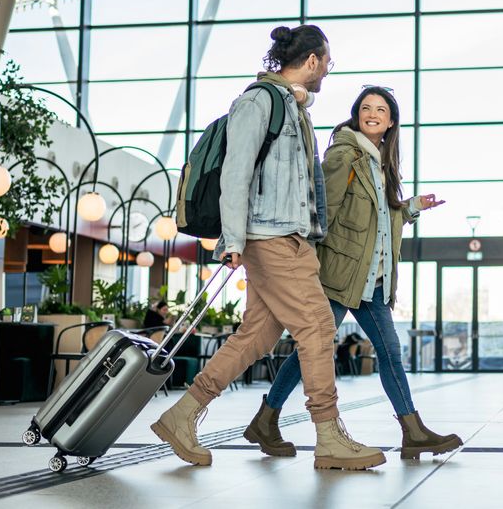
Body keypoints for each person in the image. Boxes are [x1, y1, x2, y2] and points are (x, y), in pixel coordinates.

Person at [150, 25, 386, 471]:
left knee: (256, 336)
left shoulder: (291, 105)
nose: (327, 71)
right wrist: (233, 239)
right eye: (327, 62)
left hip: (289, 237)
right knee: (317, 327)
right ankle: (329, 436)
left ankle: (182, 414)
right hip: (271, 237)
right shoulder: (258, 102)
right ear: (312, 60)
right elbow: (235, 173)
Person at [244, 86, 463, 460]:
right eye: (366, 108)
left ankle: (412, 431)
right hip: (338, 275)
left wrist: (411, 207)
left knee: (387, 352)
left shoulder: (380, 163)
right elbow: (322, 212)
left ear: (391, 122)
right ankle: (266, 419)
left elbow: (378, 219)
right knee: (314, 349)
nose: (373, 114)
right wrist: (305, 266)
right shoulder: (345, 155)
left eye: (381, 110)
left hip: (371, 279)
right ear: (357, 115)